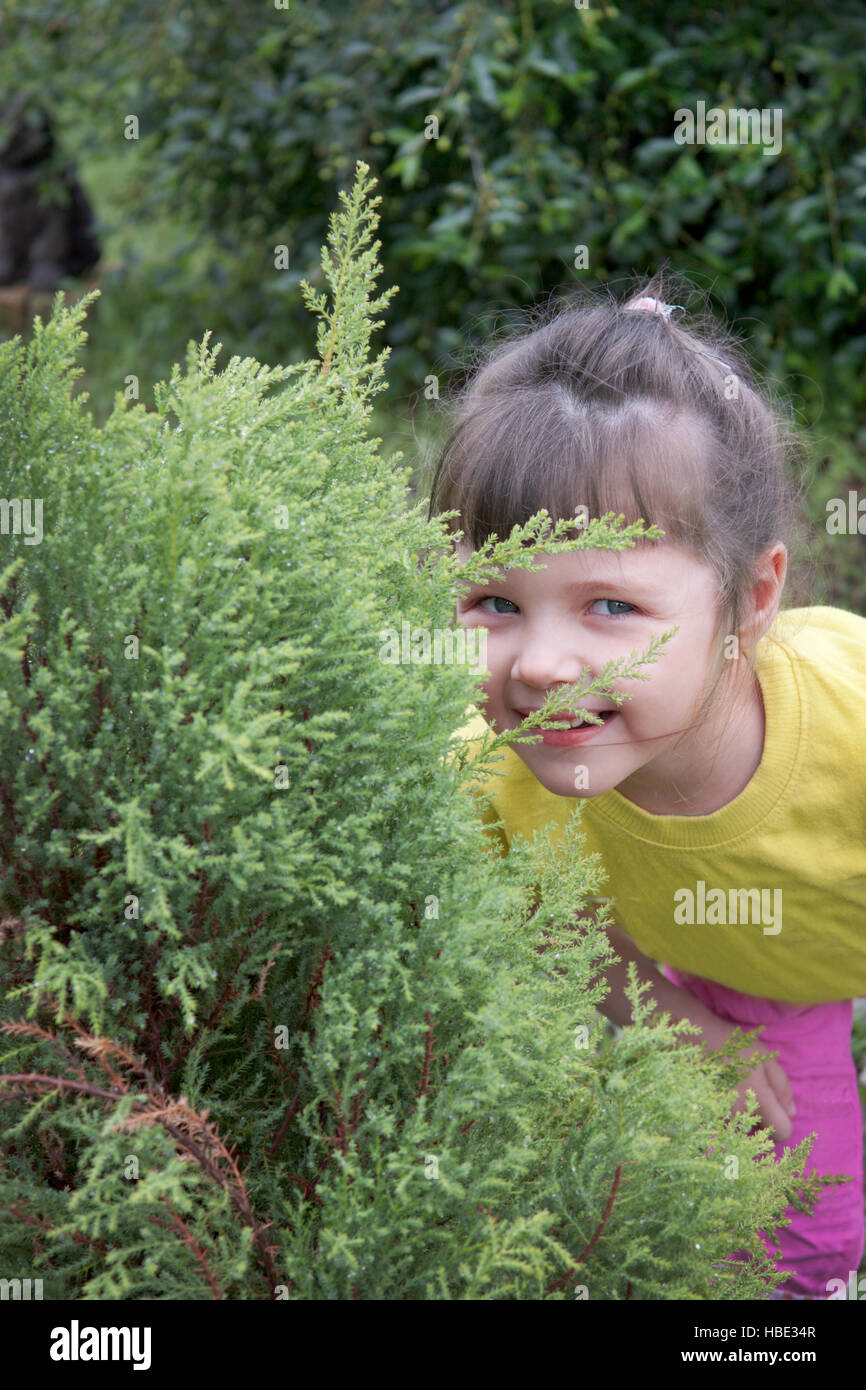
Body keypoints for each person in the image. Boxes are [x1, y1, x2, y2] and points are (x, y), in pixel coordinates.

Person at [429, 275, 866, 1300]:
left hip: (817, 929)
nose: (538, 663)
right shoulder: (489, 774)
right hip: (741, 972)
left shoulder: (849, 726)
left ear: (749, 599)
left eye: (611, 604)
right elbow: (541, 925)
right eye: (493, 598)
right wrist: (679, 1024)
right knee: (805, 1241)